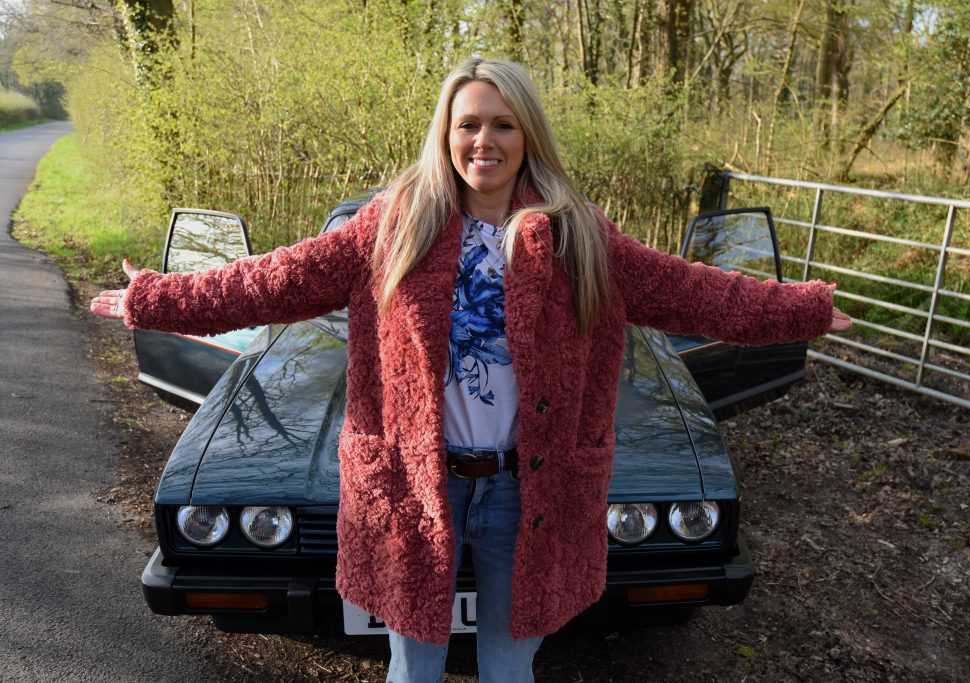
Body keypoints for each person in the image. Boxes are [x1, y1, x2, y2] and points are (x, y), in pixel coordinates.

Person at [91, 57, 851, 682]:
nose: (483, 140)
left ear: (526, 134)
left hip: (530, 491)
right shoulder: (392, 226)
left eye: (501, 123)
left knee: (508, 671)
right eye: (468, 125)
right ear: (446, 136)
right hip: (415, 487)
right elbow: (274, 279)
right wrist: (155, 298)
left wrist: (804, 309)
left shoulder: (577, 235)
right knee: (414, 670)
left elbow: (693, 289)